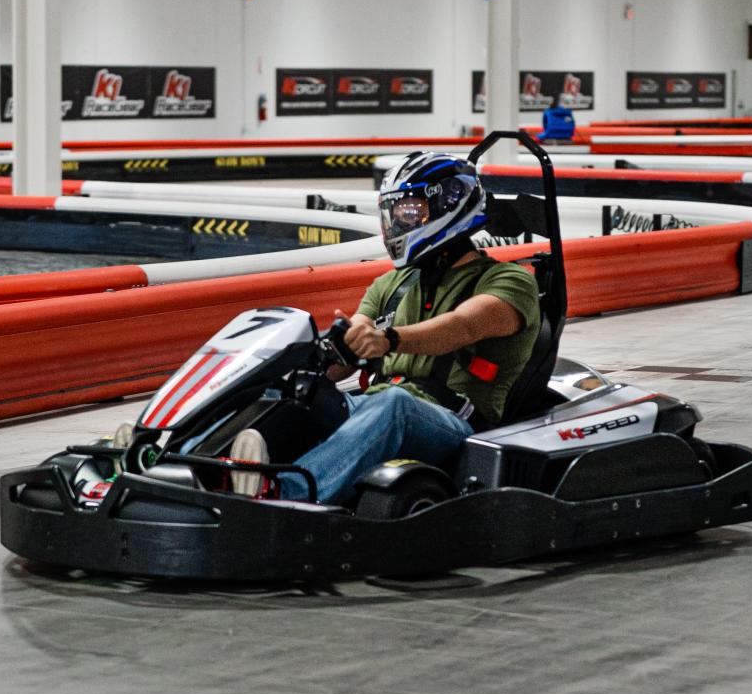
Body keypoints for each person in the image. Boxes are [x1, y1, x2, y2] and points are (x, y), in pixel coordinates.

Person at [231, 152, 541, 505]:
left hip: (454, 419)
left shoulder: (509, 282)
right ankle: (212, 467)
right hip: (373, 406)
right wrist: (326, 357)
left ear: (449, 204)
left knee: (396, 404)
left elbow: (462, 326)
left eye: (410, 211)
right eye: (394, 213)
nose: (398, 222)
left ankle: (287, 493)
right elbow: (354, 342)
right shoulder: (391, 284)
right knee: (288, 392)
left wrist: (388, 339)